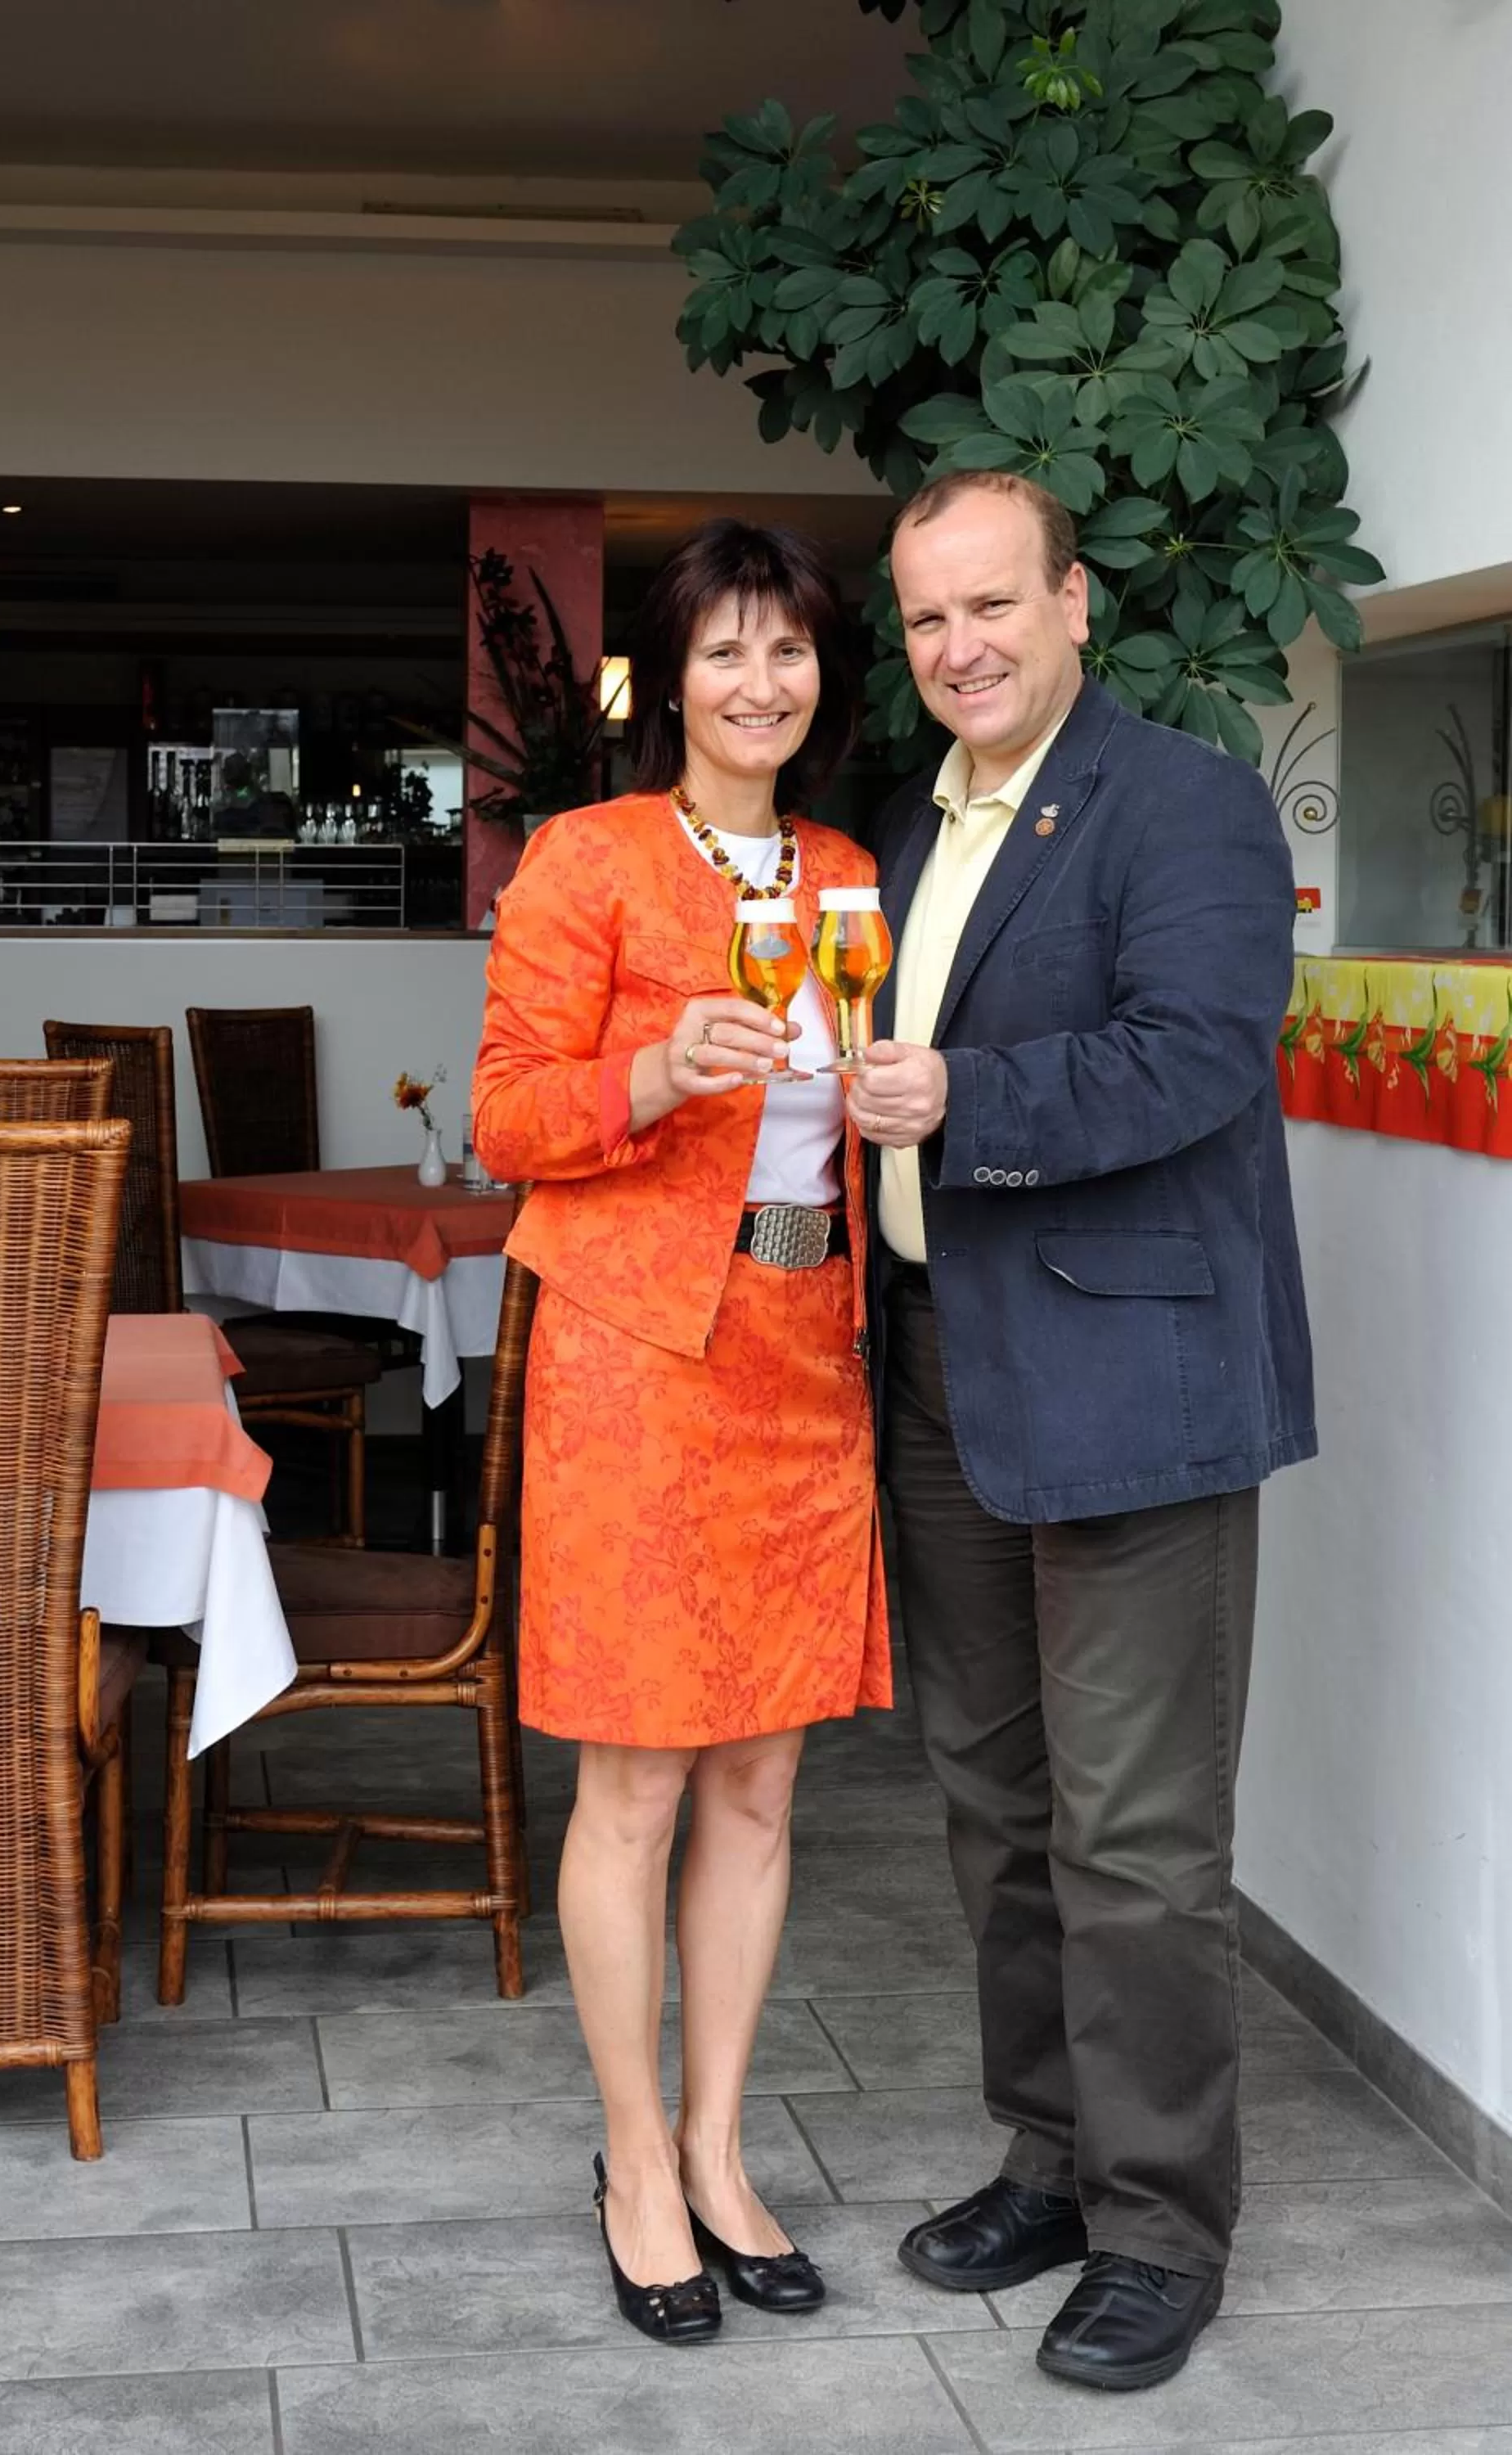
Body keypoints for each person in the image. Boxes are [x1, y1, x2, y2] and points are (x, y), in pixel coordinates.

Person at [847, 469, 1314, 2393]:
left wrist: (961, 1087)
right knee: (997, 1808)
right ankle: (1049, 2157)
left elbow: (1200, 1051)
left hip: (1131, 1389)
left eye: (993, 605)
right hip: (944, 1370)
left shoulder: (1185, 798)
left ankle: (1158, 2228)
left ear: (1076, 605)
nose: (962, 644)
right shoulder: (909, 830)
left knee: (1137, 1835)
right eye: (930, 618)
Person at [473, 520, 891, 2345]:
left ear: (820, 676)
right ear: (672, 679)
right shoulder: (589, 861)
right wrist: (651, 1074)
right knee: (635, 1776)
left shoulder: (856, 868)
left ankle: (724, 2149)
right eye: (724, 653)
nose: (759, 684)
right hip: (640, 1354)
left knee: (762, 1779)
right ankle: (635, 2159)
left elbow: (858, 1106)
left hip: (808, 1354)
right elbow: (504, 1118)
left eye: (787, 652)